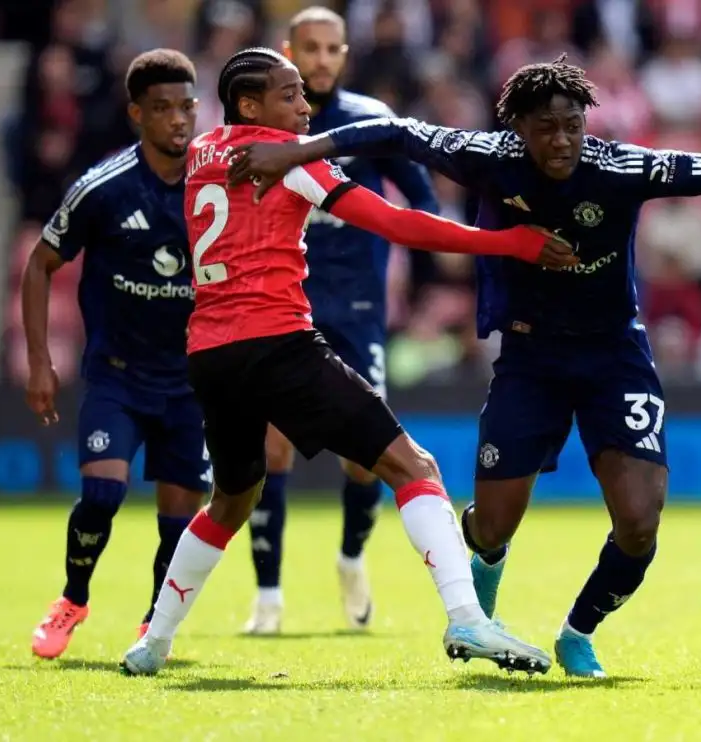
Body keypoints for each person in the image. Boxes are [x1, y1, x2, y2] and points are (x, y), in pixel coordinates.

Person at [226, 55, 701, 678]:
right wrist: (301, 150)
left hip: (615, 356)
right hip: (530, 358)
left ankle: (578, 633)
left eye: (572, 125)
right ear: (516, 127)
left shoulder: (617, 167)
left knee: (639, 521)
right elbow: (396, 133)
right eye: (545, 128)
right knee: (491, 528)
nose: (561, 140)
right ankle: (482, 593)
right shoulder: (488, 158)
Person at [120, 47, 576, 677]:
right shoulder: (293, 165)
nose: (306, 108)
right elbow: (399, 225)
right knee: (413, 465)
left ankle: (153, 642)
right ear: (250, 105)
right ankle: (469, 621)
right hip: (277, 342)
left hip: (209, 353)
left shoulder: (200, 154)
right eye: (289, 96)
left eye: (304, 94)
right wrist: (510, 243)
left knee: (231, 496)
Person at [241, 6, 445, 637]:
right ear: (288, 51)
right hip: (280, 309)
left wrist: (423, 269)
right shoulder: (262, 130)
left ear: (346, 54)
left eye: (333, 48)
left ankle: (351, 558)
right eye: (310, 48)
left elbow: (424, 199)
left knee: (365, 460)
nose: (322, 59)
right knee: (269, 448)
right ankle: (268, 598)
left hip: (357, 315)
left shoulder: (369, 122)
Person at [23, 50, 210, 660]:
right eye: (163, 109)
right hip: (117, 378)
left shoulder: (216, 187)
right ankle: (73, 598)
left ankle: (155, 625)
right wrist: (41, 361)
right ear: (137, 114)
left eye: (187, 106)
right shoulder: (102, 189)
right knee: (102, 494)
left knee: (178, 520)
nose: (179, 120)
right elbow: (39, 265)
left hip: (190, 383)